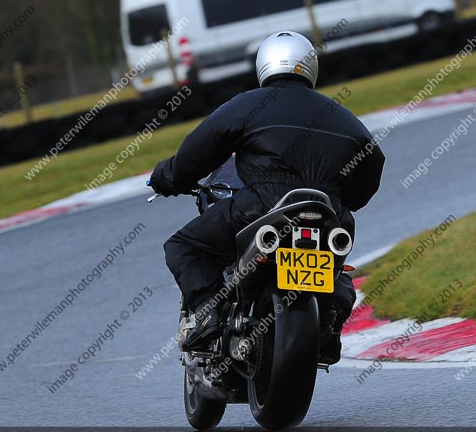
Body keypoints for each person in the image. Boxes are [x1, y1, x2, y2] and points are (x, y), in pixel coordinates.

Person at [149, 31, 385, 363]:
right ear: (311, 68)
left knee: (184, 246)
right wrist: (343, 201)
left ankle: (207, 313)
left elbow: (200, 147)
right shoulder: (344, 117)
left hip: (261, 204)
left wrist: (169, 176)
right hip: (329, 214)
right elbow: (373, 165)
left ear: (264, 66)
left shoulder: (250, 104)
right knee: (338, 275)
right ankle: (328, 329)